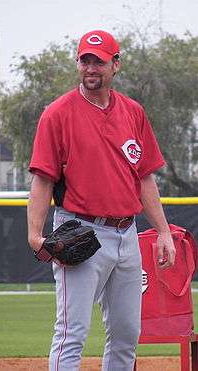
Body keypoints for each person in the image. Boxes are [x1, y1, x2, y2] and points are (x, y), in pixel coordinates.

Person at [27, 30, 176, 371]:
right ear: (78, 63)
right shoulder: (58, 113)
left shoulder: (133, 112)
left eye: (99, 61)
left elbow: (145, 178)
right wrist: (35, 235)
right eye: (85, 60)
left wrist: (163, 231)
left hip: (127, 235)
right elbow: (42, 180)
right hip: (79, 231)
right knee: (71, 333)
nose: (91, 67)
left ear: (115, 65)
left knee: (126, 335)